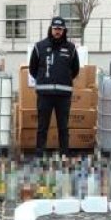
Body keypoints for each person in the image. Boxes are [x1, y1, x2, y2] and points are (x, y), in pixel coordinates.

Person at [28, 16, 80, 155]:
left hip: (63, 95)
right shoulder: (39, 47)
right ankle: (40, 153)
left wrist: (64, 79)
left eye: (60, 29)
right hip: (45, 94)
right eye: (55, 28)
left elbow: (75, 70)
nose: (57, 31)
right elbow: (32, 69)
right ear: (51, 29)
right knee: (42, 126)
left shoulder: (71, 48)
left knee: (63, 127)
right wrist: (43, 80)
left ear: (64, 31)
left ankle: (64, 153)